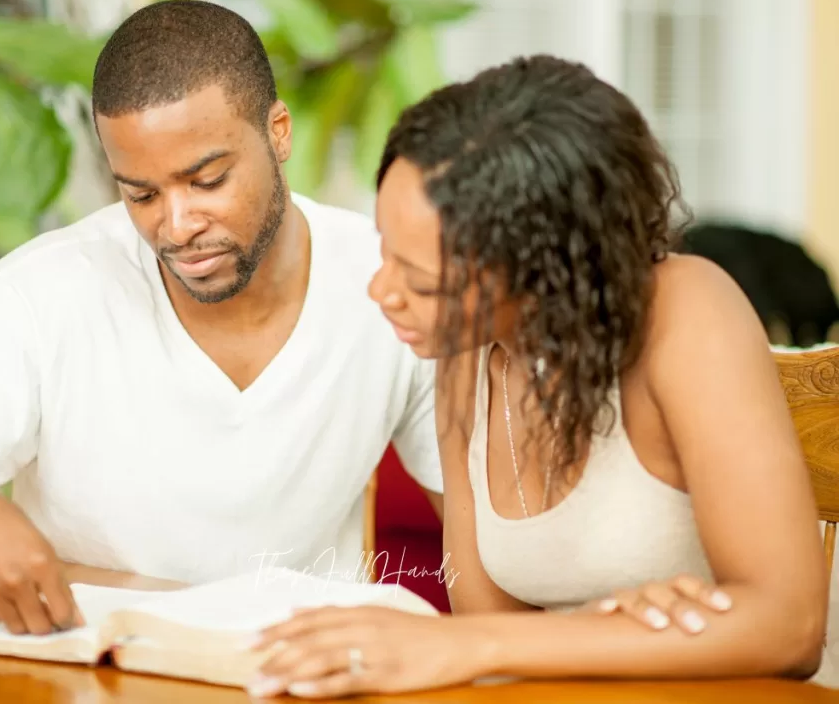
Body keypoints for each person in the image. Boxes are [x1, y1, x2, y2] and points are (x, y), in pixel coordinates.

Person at [0, 0, 444, 636]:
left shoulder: (392, 283)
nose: (175, 227)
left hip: (303, 671)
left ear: (278, 131)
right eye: (140, 194)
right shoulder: (41, 293)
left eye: (207, 180)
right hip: (92, 674)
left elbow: (490, 551)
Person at [247, 55, 829, 698]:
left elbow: (789, 627)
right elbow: (492, 634)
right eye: (386, 250)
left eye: (422, 280)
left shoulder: (686, 313)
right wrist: (593, 633)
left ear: (546, 273)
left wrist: (475, 644)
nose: (381, 290)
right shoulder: (467, 351)